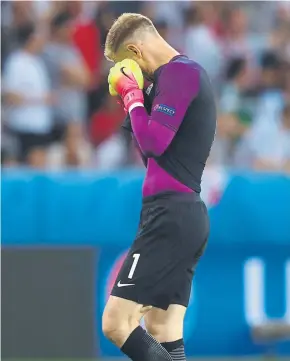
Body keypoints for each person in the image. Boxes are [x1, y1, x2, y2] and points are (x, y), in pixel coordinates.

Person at [102, 13, 216, 361]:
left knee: (116, 323)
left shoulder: (182, 73)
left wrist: (134, 96)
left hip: (170, 215)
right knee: (163, 328)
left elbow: (153, 144)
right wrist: (136, 100)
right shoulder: (170, 80)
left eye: (125, 62)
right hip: (182, 214)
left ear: (135, 50)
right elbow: (151, 156)